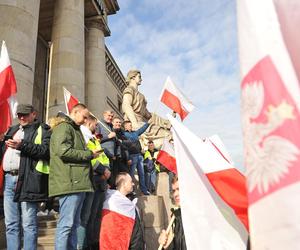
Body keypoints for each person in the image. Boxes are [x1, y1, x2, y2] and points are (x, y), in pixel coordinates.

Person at [49, 103, 100, 250]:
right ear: (75, 112)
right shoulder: (64, 127)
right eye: (84, 117)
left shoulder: (73, 129)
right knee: (66, 224)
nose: (85, 121)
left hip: (77, 182)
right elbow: (63, 151)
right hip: (70, 183)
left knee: (73, 224)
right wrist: (89, 154)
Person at [0, 104, 51, 250]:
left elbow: (45, 151)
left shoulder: (43, 129)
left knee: (29, 224)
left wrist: (22, 145)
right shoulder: (13, 129)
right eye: (19, 115)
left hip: (28, 180)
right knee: (11, 224)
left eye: (25, 114)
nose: (21, 117)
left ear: (34, 114)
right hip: (9, 180)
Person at [77, 114, 111, 250]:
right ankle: (84, 245)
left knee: (97, 215)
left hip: (102, 180)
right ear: (89, 123)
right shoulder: (84, 138)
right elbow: (89, 158)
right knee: (86, 216)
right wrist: (103, 170)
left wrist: (107, 169)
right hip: (92, 178)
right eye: (95, 124)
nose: (97, 127)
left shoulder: (95, 140)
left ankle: (93, 242)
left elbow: (104, 158)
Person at [122, 69, 172, 148]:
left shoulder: (141, 96)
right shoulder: (129, 90)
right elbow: (126, 105)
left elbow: (148, 115)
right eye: (139, 77)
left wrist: (166, 122)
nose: (141, 79)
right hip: (136, 125)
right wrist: (134, 123)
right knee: (165, 135)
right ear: (133, 77)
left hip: (143, 124)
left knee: (168, 134)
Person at [99, 172, 144, 250]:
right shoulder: (127, 207)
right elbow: (136, 237)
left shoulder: (109, 201)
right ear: (124, 184)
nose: (133, 184)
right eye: (131, 181)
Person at [158, 175, 186, 250]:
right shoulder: (175, 216)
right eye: (173, 191)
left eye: (179, 189)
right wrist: (164, 244)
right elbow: (171, 245)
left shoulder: (202, 217)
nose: (175, 194)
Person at [123, 120, 150, 195]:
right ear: (125, 126)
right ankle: (131, 190)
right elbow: (137, 133)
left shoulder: (134, 133)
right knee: (131, 174)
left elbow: (141, 130)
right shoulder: (125, 134)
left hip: (139, 155)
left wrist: (148, 123)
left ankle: (144, 190)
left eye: (131, 125)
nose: (131, 126)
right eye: (130, 125)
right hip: (132, 156)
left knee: (141, 174)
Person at [95, 110, 117, 186]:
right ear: (104, 115)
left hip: (111, 157)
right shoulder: (99, 125)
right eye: (109, 115)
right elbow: (96, 139)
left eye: (112, 116)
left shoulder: (111, 126)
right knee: (105, 179)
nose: (110, 118)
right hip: (103, 155)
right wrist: (108, 136)